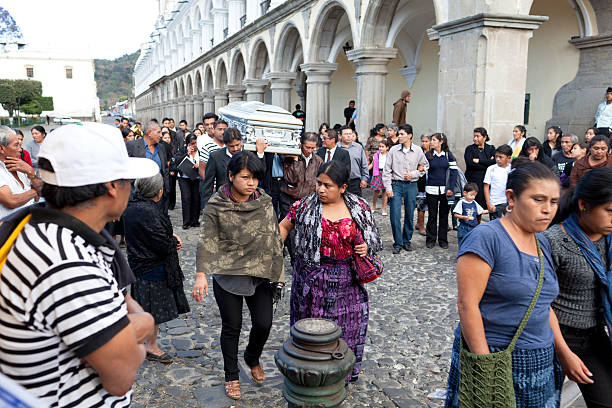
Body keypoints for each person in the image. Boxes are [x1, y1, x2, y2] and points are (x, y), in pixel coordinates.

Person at [0, 122, 157, 407]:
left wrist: (120, 331)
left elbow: (120, 302)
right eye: (127, 179)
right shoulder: (65, 260)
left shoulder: (49, 233)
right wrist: (143, 324)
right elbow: (121, 376)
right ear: (111, 186)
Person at [444, 161, 587, 408]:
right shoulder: (487, 238)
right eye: (538, 200)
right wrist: (485, 371)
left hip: (541, 363)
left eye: (554, 202)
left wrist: (564, 353)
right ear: (511, 197)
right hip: (496, 359)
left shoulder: (542, 243)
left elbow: (543, 305)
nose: (548, 210)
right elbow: (467, 305)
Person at [279, 160, 383, 383]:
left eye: (328, 185)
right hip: (311, 278)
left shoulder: (359, 208)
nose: (321, 189)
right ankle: (310, 374)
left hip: (347, 280)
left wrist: (364, 246)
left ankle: (340, 375)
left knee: (347, 327)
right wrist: (273, 252)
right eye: (319, 184)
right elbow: (284, 227)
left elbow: (371, 238)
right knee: (312, 329)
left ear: (343, 187)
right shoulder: (305, 206)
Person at [194, 151, 284, 400]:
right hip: (227, 272)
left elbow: (274, 237)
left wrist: (279, 271)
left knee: (264, 323)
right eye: (245, 177)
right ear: (231, 176)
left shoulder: (263, 201)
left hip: (260, 270)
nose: (251, 183)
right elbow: (206, 240)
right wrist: (201, 273)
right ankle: (231, 375)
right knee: (232, 327)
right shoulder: (217, 204)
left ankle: (252, 356)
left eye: (255, 178)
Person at [544, 168, 612, 407]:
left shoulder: (609, 240)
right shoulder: (554, 241)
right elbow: (543, 304)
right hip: (556, 337)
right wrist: (564, 353)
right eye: (610, 211)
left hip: (595, 336)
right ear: (584, 205)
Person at [123, 173, 190, 364]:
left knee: (143, 307)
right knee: (151, 311)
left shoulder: (132, 206)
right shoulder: (149, 211)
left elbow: (152, 235)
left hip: (139, 264)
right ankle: (150, 347)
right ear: (159, 192)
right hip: (152, 267)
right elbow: (160, 243)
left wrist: (170, 236)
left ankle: (141, 343)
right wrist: (172, 241)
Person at [383, 124, 429, 254]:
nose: (399, 136)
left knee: (409, 214)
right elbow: (386, 170)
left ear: (410, 136)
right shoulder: (393, 150)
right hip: (396, 185)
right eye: (399, 134)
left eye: (402, 134)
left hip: (411, 185)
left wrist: (414, 174)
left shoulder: (418, 150)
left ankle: (407, 241)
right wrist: (388, 187)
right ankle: (398, 243)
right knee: (394, 215)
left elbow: (425, 166)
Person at [279, 132, 323, 262]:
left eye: (312, 148)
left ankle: (304, 257)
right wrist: (296, 161)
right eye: (307, 147)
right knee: (292, 230)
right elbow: (291, 178)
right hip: (289, 197)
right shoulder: (291, 157)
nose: (309, 150)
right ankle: (294, 260)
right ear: (301, 145)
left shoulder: (318, 161)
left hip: (308, 199)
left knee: (306, 229)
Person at [200, 128, 266, 207]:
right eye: (231, 146)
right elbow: (208, 185)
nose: (235, 149)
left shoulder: (250, 154)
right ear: (225, 144)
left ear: (241, 141)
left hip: (247, 202)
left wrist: (260, 154)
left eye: (237, 145)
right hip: (224, 202)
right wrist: (206, 207)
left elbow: (261, 173)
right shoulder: (215, 157)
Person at [126, 121, 171, 213]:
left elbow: (165, 170)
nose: (161, 135)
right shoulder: (132, 146)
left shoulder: (161, 147)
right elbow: (126, 169)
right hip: (139, 196)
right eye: (158, 132)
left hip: (160, 196)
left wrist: (166, 189)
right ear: (150, 133)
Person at [424, 133, 458, 249]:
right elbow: (422, 170)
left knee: (444, 215)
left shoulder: (449, 155)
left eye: (433, 140)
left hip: (445, 191)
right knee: (432, 215)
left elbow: (454, 173)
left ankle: (443, 240)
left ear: (441, 142)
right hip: (431, 190)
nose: (431, 142)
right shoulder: (428, 155)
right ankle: (431, 239)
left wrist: (450, 188)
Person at [0, 126, 40, 218]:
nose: (20, 149)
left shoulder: (20, 167)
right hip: (10, 230)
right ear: (1, 149)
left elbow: (38, 197)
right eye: (16, 145)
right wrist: (35, 191)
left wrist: (30, 171)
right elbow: (11, 201)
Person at [464, 127, 496, 208]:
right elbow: (470, 163)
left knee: (485, 205)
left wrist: (479, 161)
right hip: (473, 180)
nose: (475, 138)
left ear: (484, 137)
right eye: (474, 136)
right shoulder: (469, 149)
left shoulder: (491, 148)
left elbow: (494, 163)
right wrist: (487, 162)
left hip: (486, 180)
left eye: (478, 136)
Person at [175, 134, 201, 229]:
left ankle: (194, 220)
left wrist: (199, 165)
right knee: (186, 198)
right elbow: (176, 161)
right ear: (187, 144)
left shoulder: (201, 151)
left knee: (196, 198)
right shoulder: (182, 150)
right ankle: (186, 222)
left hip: (196, 178)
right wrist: (187, 154)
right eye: (191, 144)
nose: (194, 145)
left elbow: (206, 162)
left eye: (195, 143)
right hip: (184, 178)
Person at [483, 144, 512, 220]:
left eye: (501, 157)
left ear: (508, 158)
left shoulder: (511, 169)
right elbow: (486, 187)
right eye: (496, 156)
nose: (498, 159)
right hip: (495, 203)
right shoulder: (491, 169)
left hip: (508, 202)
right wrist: (488, 203)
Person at [339, 126, 368, 196]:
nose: (348, 136)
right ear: (340, 136)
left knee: (356, 204)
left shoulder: (358, 147)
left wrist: (364, 178)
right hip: (340, 182)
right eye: (346, 134)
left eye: (350, 134)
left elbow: (364, 164)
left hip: (355, 182)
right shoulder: (336, 148)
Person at [453, 182, 483, 248]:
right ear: (465, 193)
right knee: (462, 243)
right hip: (464, 227)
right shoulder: (461, 202)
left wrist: (490, 210)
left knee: (472, 244)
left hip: (473, 226)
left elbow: (481, 211)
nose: (473, 197)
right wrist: (464, 217)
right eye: (471, 195)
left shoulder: (474, 202)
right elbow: (455, 214)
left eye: (474, 196)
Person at [370, 138, 390, 215]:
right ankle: (373, 206)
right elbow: (372, 164)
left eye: (383, 146)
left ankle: (383, 208)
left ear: (387, 147)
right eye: (380, 146)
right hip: (377, 173)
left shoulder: (389, 155)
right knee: (376, 191)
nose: (380, 148)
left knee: (385, 192)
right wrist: (365, 170)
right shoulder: (376, 155)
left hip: (386, 173)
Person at [415, 134, 430, 236]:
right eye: (422, 141)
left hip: (430, 181)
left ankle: (418, 223)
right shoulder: (418, 152)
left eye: (426, 141)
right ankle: (421, 226)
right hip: (420, 181)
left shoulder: (432, 153)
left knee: (427, 204)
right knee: (421, 204)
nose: (424, 143)